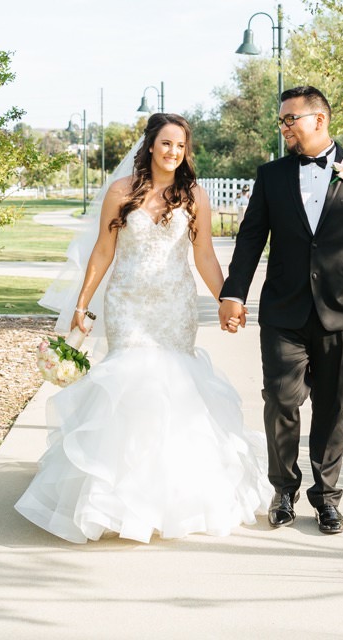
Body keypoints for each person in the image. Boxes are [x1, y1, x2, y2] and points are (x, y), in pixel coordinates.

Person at [15, 113, 268, 543]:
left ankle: (169, 499)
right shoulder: (121, 192)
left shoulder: (193, 197)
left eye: (181, 146)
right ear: (151, 146)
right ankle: (114, 503)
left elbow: (204, 255)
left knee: (173, 387)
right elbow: (102, 251)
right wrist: (81, 303)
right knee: (132, 387)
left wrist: (228, 299)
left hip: (174, 306)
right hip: (128, 304)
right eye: (166, 143)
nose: (173, 152)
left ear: (187, 152)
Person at [219, 86, 343, 536]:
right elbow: (251, 238)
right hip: (283, 310)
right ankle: (283, 490)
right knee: (280, 399)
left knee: (334, 408)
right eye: (282, 120)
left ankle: (327, 498)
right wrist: (234, 293)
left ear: (319, 119)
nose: (284, 128)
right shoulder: (271, 175)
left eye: (289, 119)